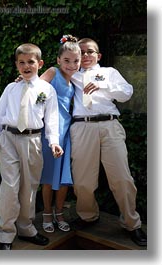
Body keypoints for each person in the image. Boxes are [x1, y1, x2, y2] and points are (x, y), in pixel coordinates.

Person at [0, 43, 63, 250]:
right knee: (9, 187)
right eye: (22, 63)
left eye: (31, 62)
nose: (26, 66)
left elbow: (52, 118)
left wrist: (53, 141)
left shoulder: (47, 90)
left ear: (40, 64)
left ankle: (26, 227)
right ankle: (5, 234)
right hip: (9, 138)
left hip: (32, 140)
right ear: (16, 65)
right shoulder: (11, 88)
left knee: (29, 187)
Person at [70, 38, 147, 246]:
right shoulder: (71, 74)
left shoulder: (110, 72)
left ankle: (132, 223)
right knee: (82, 180)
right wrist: (22, 81)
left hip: (109, 126)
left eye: (90, 52)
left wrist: (102, 84)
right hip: (82, 127)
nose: (85, 55)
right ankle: (88, 215)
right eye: (82, 52)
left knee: (122, 178)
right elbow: (46, 79)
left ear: (98, 55)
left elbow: (126, 92)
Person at [39, 35, 81, 233]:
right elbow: (35, 88)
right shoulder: (53, 72)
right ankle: (47, 213)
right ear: (58, 60)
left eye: (76, 61)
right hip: (50, 132)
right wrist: (23, 80)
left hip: (66, 133)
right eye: (67, 60)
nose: (71, 65)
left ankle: (59, 212)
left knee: (64, 177)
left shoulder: (75, 83)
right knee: (48, 175)